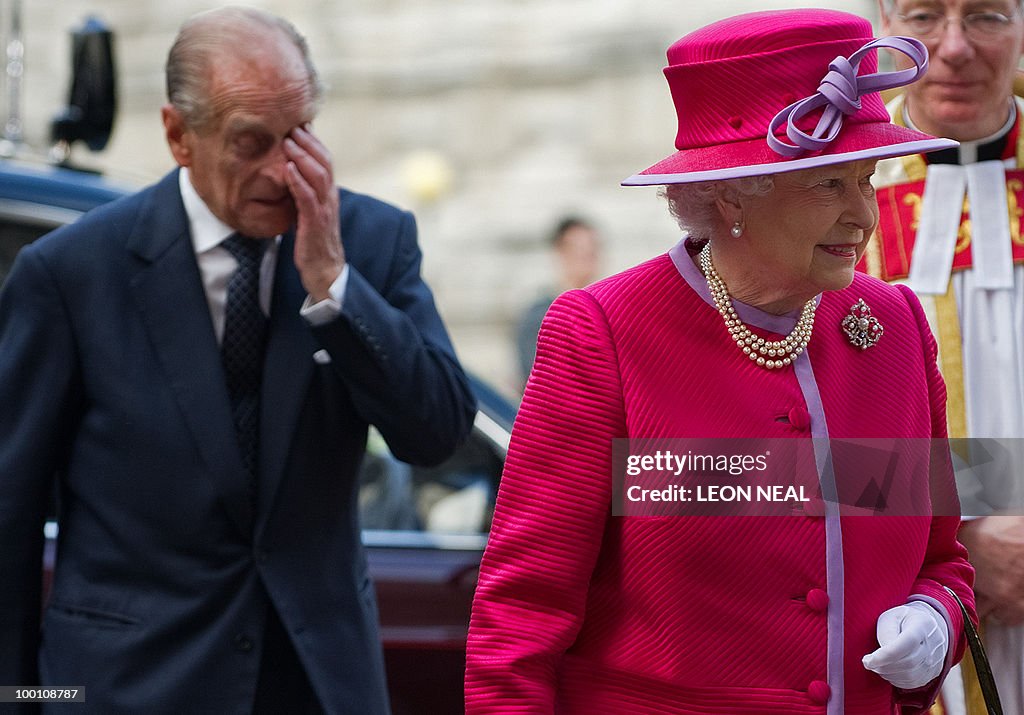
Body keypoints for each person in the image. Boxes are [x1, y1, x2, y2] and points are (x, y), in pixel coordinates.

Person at [465, 9, 975, 714]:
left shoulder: (894, 328)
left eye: (868, 178)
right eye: (830, 184)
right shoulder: (603, 334)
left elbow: (943, 562)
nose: (863, 214)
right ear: (731, 192)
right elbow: (521, 618)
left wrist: (936, 620)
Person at [0, 6, 475, 713]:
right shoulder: (71, 274)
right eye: (252, 141)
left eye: (300, 133)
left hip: (317, 686)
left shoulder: (372, 241)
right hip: (128, 686)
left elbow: (437, 430)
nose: (284, 170)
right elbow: (10, 510)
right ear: (177, 135)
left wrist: (336, 288)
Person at [870, 2, 1024, 713]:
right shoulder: (817, 190)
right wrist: (956, 532)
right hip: (903, 620)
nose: (954, 47)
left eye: (988, 15)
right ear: (883, 17)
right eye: (926, 15)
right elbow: (759, 443)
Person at [514, 217, 602, 389]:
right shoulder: (539, 316)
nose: (587, 261)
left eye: (592, 253)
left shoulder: (606, 311)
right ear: (561, 253)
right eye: (580, 252)